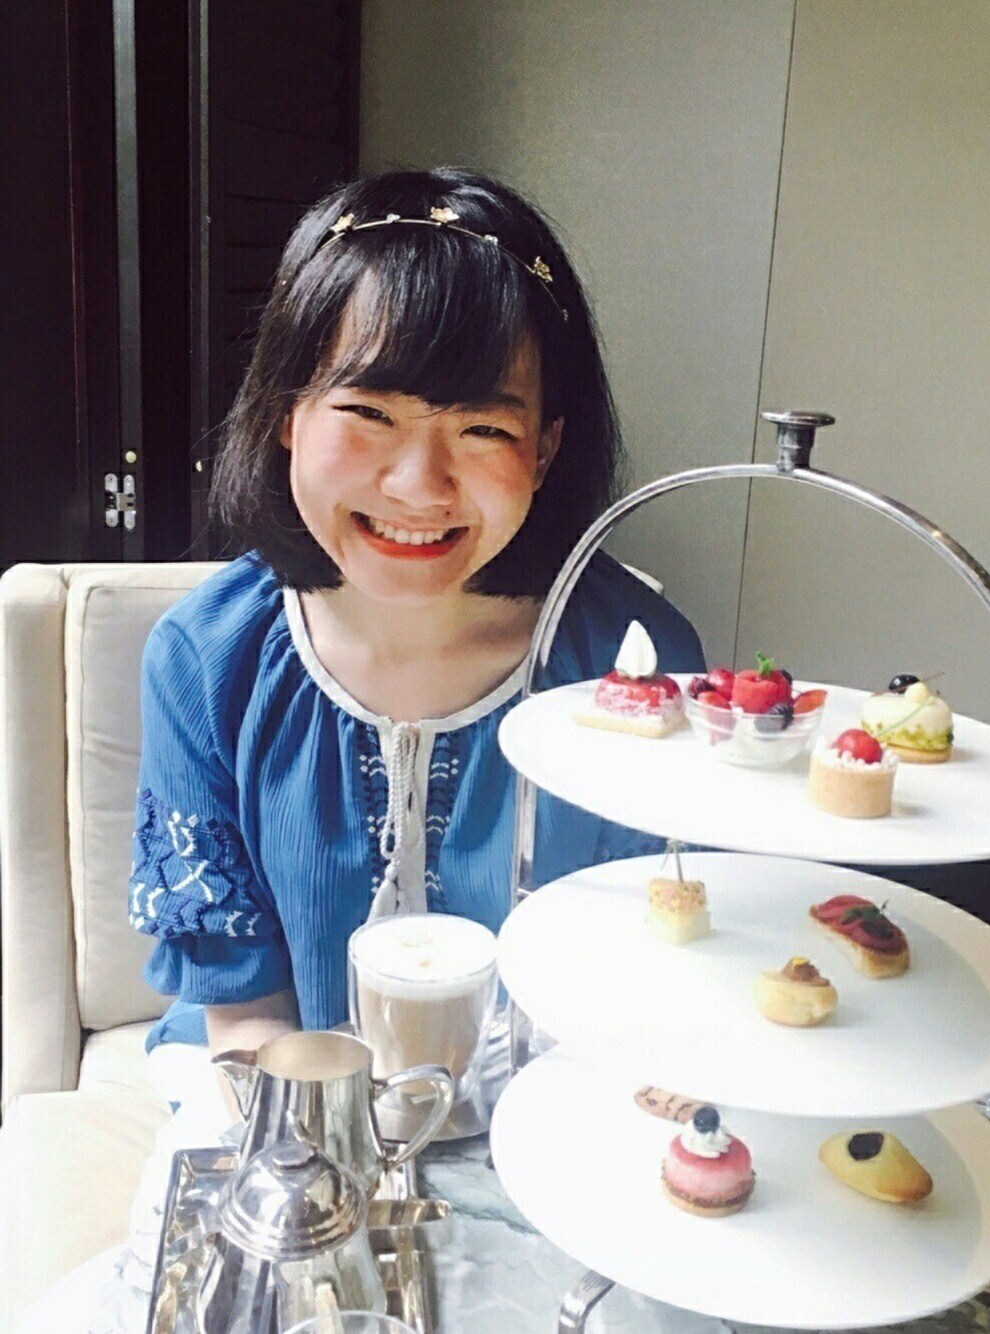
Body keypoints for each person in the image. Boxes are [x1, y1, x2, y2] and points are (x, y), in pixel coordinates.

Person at [129, 166, 705, 1063]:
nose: (417, 487)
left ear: (546, 448)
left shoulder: (634, 665)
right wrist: (329, 1135)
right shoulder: (206, 659)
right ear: (287, 413)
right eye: (367, 412)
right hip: (278, 1086)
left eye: (483, 430)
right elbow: (243, 1013)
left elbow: (655, 973)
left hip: (557, 1097)